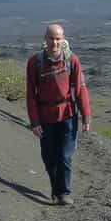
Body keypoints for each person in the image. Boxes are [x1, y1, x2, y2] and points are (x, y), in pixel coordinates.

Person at [26, 24, 91, 205]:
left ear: (63, 40)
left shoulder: (72, 60)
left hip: (68, 114)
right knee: (49, 157)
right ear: (45, 39)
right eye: (51, 38)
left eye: (58, 39)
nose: (54, 42)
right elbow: (31, 94)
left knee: (65, 156)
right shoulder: (35, 62)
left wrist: (86, 117)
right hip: (45, 116)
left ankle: (64, 193)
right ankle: (56, 190)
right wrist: (34, 121)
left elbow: (81, 90)